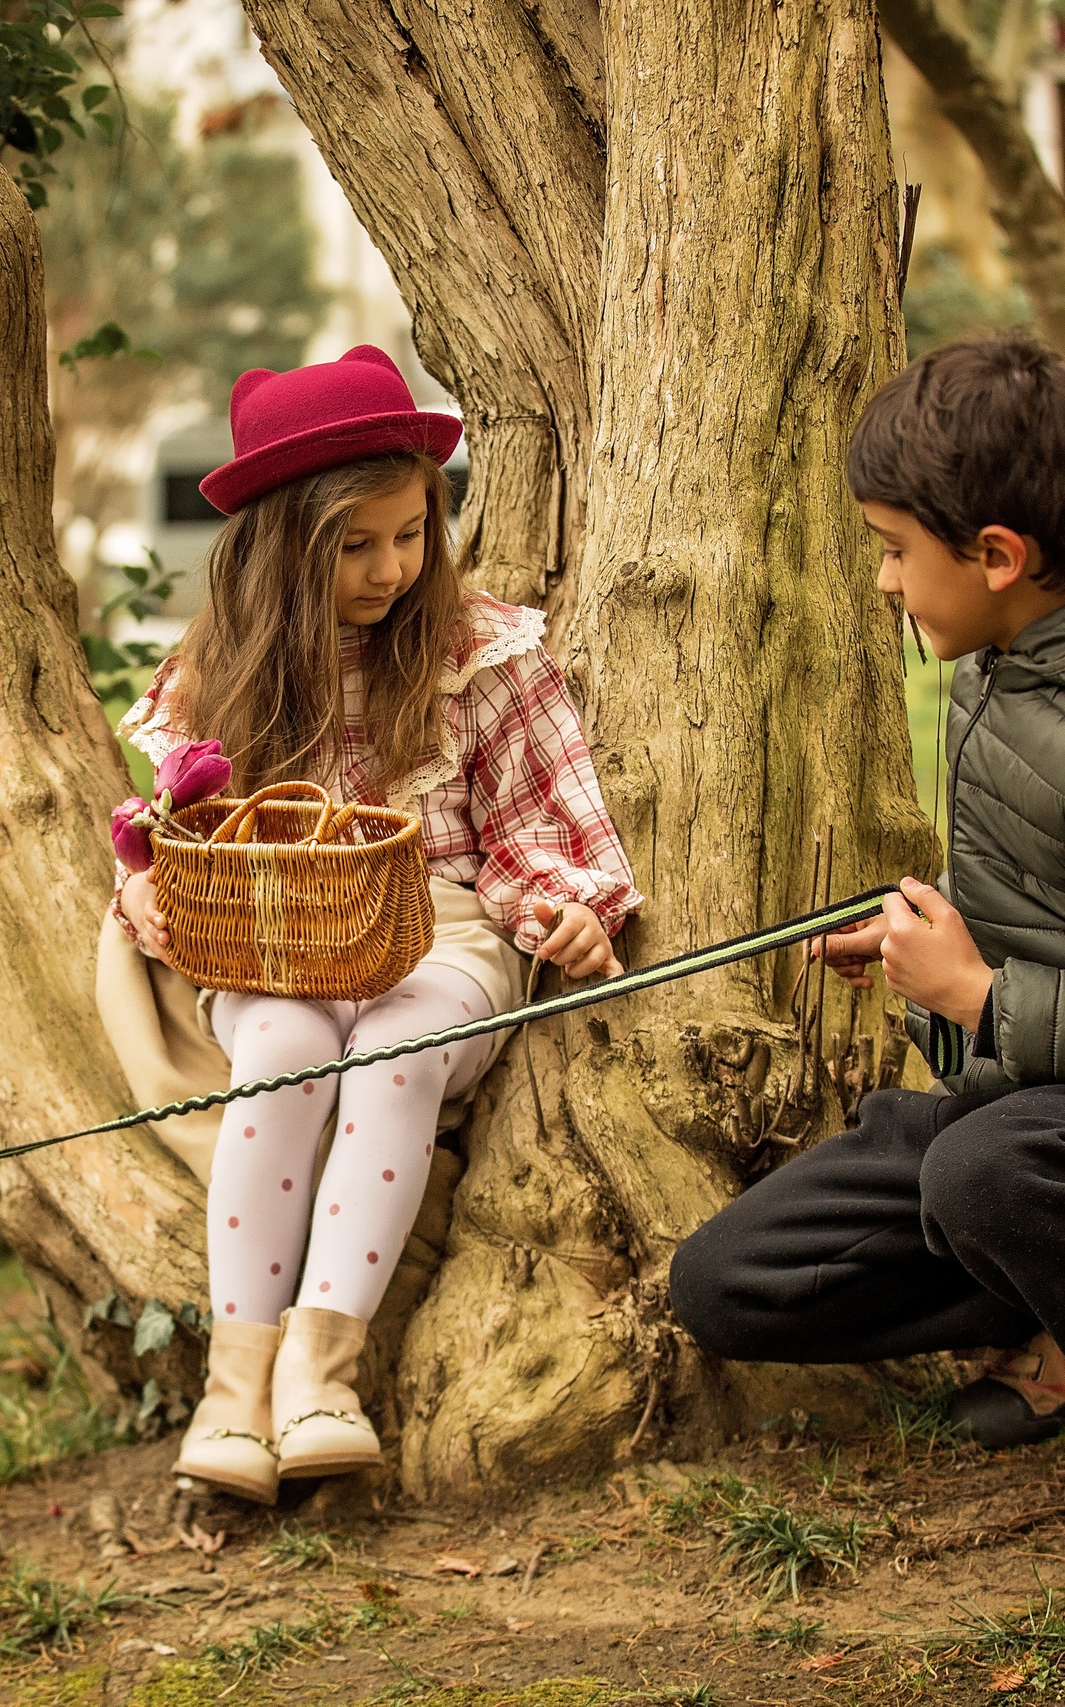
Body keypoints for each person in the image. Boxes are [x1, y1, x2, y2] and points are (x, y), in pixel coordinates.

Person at [667, 332, 1065, 1567]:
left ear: (999, 556)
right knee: (724, 1282)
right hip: (1023, 1103)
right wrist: (925, 949)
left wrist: (976, 993)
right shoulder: (1007, 656)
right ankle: (1063, 1307)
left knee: (987, 1172)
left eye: (893, 550)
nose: (883, 582)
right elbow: (1047, 905)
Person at [96, 346, 641, 1504]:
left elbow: (532, 824)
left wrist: (561, 913)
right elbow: (176, 832)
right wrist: (147, 887)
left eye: (409, 534)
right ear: (279, 549)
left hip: (440, 927)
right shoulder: (216, 675)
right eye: (354, 545)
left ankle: (319, 1375)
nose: (391, 568)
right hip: (278, 935)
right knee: (283, 1050)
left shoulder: (477, 656)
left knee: (395, 1049)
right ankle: (233, 1391)